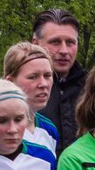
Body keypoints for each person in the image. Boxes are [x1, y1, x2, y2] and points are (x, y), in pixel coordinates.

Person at [32, 8, 86, 150]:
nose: (64, 51)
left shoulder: (94, 90)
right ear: (35, 43)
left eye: (70, 43)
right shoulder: (18, 90)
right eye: (55, 42)